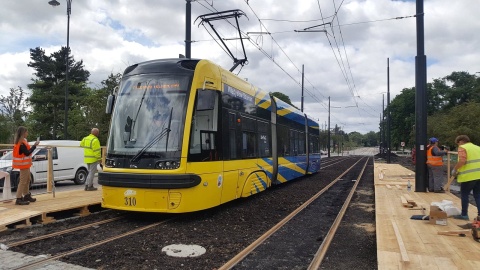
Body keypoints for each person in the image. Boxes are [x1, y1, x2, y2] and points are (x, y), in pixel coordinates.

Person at [450, 135, 480, 221]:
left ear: (461, 141)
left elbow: (462, 160)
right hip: (479, 175)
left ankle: (464, 215)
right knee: (477, 195)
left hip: (468, 176)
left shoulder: (463, 147)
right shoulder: (477, 147)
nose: (458, 145)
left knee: (464, 194)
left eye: (458, 143)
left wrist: (455, 169)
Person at [12, 126, 40, 205]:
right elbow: (27, 152)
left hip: (25, 165)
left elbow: (27, 152)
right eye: (26, 132)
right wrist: (35, 146)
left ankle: (26, 195)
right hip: (23, 165)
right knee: (23, 181)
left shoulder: (22, 142)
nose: (27, 133)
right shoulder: (21, 143)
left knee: (27, 179)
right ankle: (18, 198)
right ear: (23, 133)